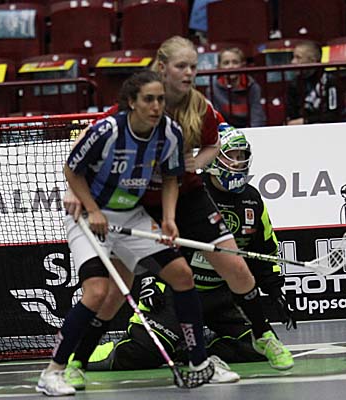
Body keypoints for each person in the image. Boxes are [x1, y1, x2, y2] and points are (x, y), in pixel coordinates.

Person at [66, 36, 294, 382]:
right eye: (181, 66)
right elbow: (84, 146)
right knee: (113, 291)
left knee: (235, 265)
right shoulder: (135, 105)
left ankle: (262, 336)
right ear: (162, 67)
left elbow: (214, 143)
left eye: (194, 67)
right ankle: (76, 363)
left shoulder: (199, 106)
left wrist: (194, 165)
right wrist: (76, 191)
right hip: (140, 201)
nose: (189, 73)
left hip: (186, 195)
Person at [36, 71, 237, 396]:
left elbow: (171, 178)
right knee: (97, 292)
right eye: (148, 100)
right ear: (131, 102)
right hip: (89, 216)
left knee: (182, 275)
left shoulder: (170, 133)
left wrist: (169, 219)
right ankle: (53, 371)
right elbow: (72, 169)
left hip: (132, 215)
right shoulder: (107, 131)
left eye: (160, 100)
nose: (156, 106)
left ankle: (199, 363)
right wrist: (93, 209)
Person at [81, 123, 296, 372]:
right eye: (231, 156)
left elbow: (264, 249)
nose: (238, 162)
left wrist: (275, 289)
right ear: (213, 159)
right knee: (139, 354)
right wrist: (151, 280)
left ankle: (195, 347)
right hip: (179, 290)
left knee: (254, 348)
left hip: (223, 294)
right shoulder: (190, 192)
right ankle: (93, 352)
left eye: (242, 156)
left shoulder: (252, 199)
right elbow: (150, 239)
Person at [205, 47, 266, 128]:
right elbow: (215, 119)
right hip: (225, 132)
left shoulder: (253, 87)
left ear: (242, 65)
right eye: (226, 63)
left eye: (235, 62)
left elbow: (257, 118)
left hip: (248, 130)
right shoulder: (212, 90)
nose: (231, 66)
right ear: (219, 67)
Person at [286, 40, 341, 125]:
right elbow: (291, 115)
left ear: (312, 60)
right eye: (293, 57)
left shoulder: (329, 81)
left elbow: (333, 114)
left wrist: (306, 121)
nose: (293, 62)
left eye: (298, 57)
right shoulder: (294, 84)